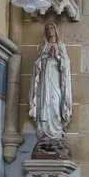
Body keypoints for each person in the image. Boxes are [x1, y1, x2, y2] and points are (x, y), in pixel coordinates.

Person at [29, 22, 74, 157]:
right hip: (45, 82)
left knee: (55, 103)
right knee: (45, 104)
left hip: (56, 80)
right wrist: (45, 57)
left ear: (56, 30)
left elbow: (66, 65)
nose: (49, 31)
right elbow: (37, 65)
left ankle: (57, 132)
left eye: (52, 28)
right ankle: (45, 134)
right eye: (47, 28)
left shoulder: (60, 46)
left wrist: (57, 57)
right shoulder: (43, 48)